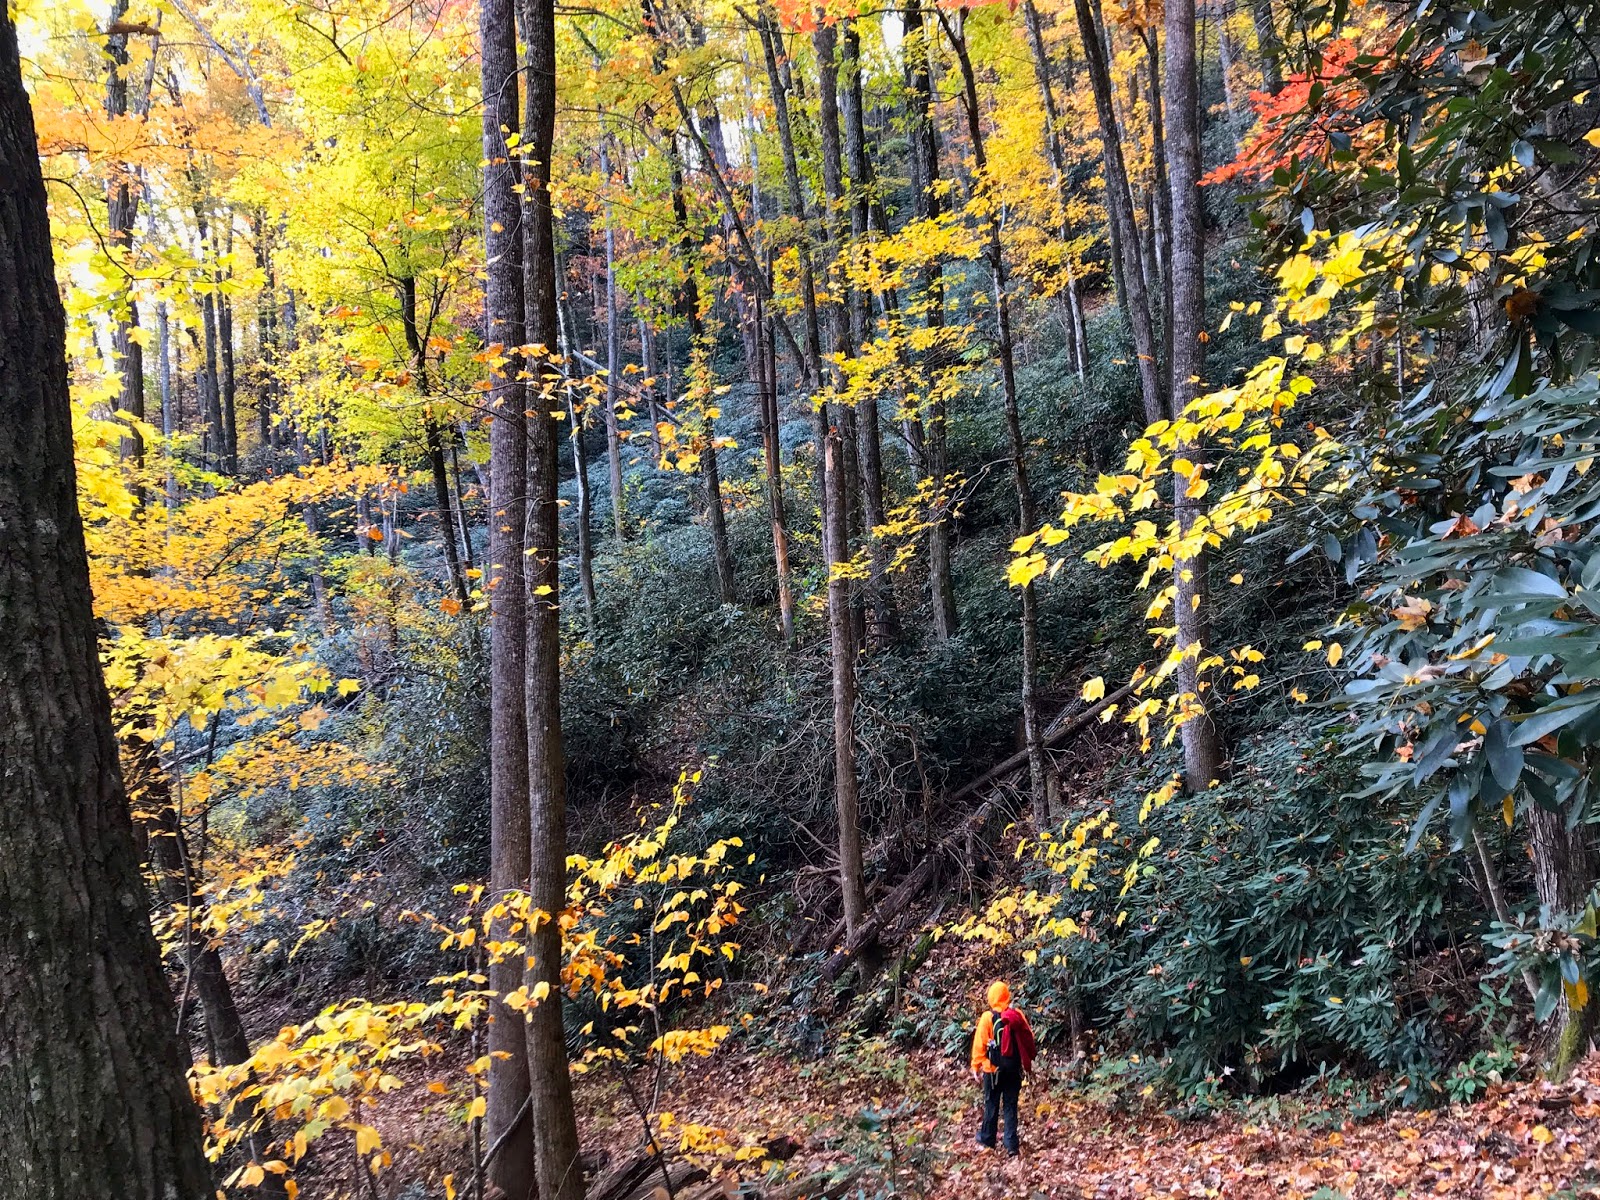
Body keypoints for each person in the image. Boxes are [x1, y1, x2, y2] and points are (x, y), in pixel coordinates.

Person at [970, 980, 1035, 1157]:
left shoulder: (987, 1018)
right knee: (1010, 1106)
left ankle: (987, 1140)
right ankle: (1011, 1144)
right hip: (1013, 1069)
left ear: (991, 998)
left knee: (991, 1104)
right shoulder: (1017, 1014)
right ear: (1007, 996)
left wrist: (976, 1065)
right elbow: (1028, 1036)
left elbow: (979, 1044)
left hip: (992, 1071)